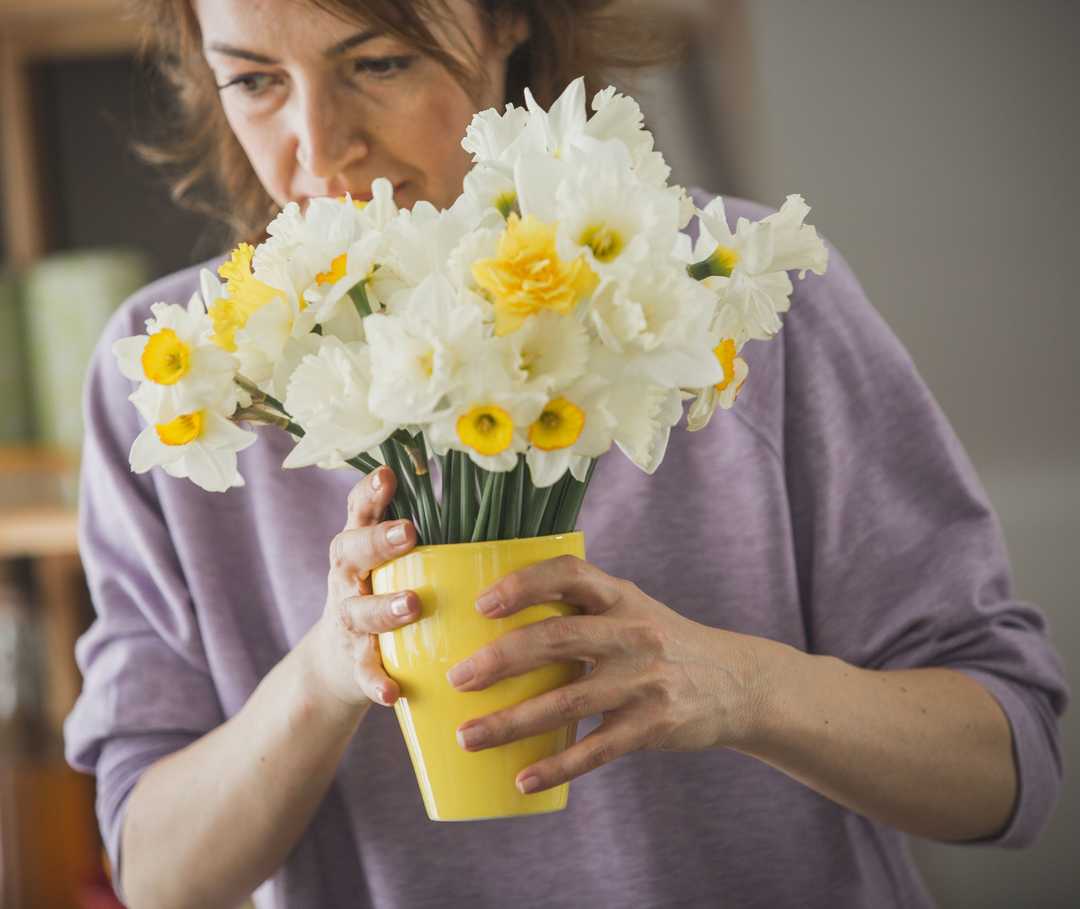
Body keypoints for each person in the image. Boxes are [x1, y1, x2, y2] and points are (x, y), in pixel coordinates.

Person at [63, 1, 1070, 907]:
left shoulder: (727, 303)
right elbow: (155, 874)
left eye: (377, 62)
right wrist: (329, 672)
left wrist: (742, 690)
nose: (316, 154)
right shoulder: (178, 377)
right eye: (254, 80)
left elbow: (1009, 768)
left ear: (508, 21)